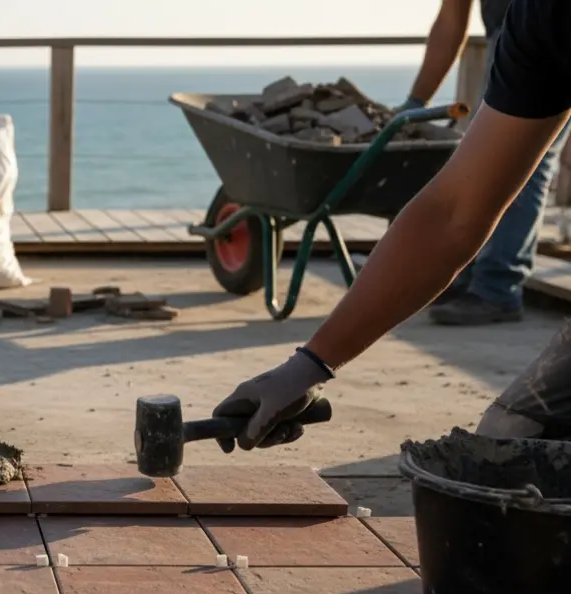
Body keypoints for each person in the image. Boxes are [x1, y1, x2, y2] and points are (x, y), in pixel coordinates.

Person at [213, 0, 571, 451]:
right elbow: (452, 212)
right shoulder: (542, 17)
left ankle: (496, 284)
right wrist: (307, 367)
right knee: (515, 441)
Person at [400, 0, 570, 326]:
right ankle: (467, 276)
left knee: (520, 164)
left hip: (547, 32)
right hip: (508, 38)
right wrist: (417, 100)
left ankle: (496, 288)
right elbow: (452, 18)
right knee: (483, 161)